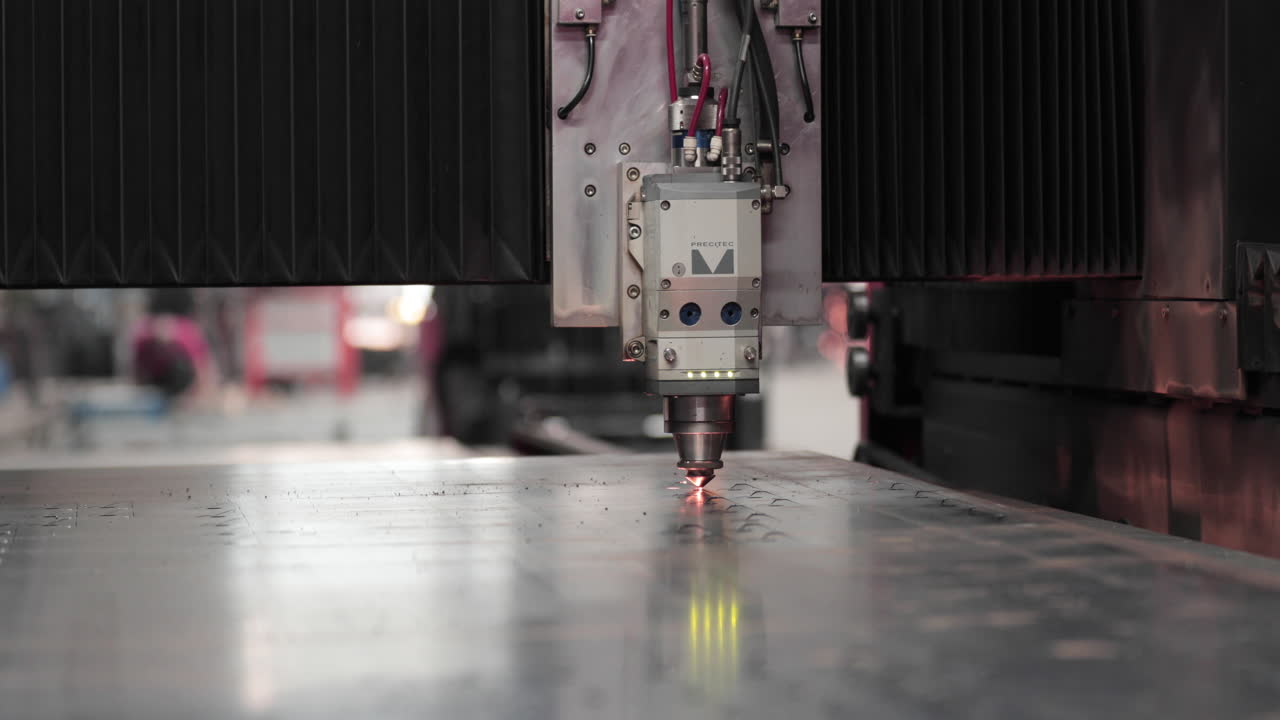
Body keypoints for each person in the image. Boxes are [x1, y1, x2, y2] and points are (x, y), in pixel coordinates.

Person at [131, 290, 214, 401]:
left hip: (183, 385)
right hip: (157, 384)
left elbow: (203, 373)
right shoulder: (143, 335)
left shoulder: (187, 335)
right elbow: (137, 373)